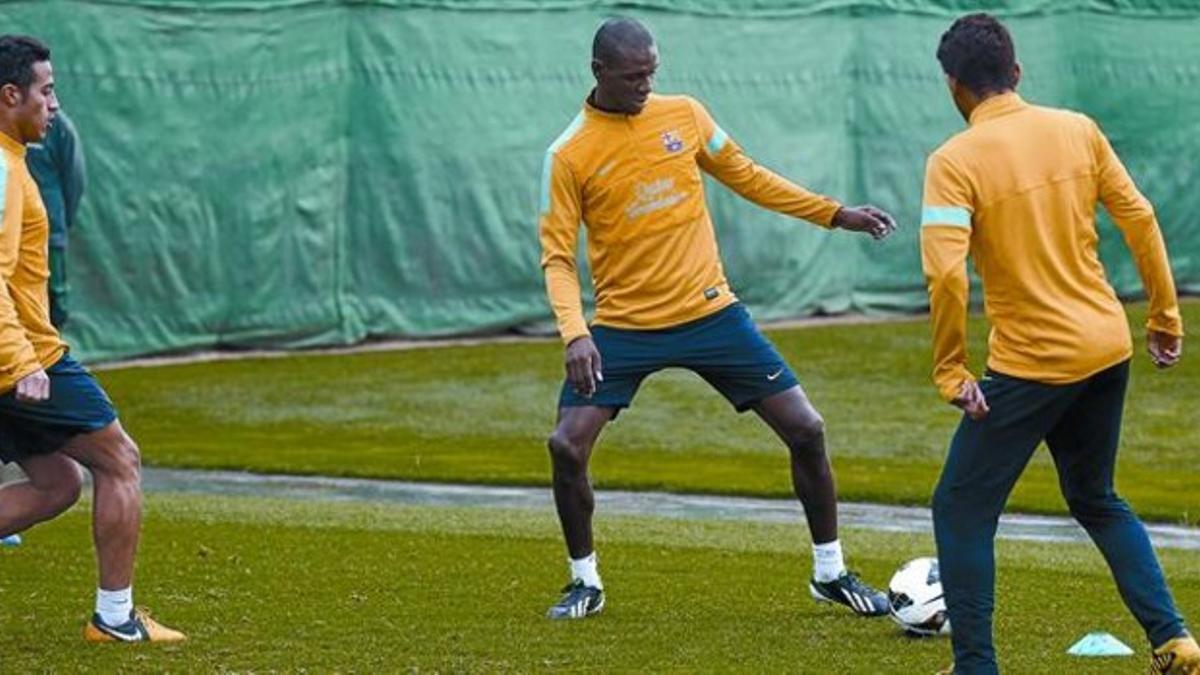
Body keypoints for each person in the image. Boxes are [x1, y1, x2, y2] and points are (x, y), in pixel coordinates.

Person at [538, 17, 898, 621]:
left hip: (712, 314)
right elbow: (556, 257)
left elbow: (749, 176)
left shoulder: (685, 115)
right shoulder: (568, 153)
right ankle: (584, 582)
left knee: (807, 429)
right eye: (633, 76)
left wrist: (835, 215)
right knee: (565, 447)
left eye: (652, 71)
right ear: (599, 72)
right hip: (624, 327)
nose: (646, 85)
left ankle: (830, 573)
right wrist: (576, 333)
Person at [920, 14, 1197, 675]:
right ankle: (1177, 639)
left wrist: (952, 367)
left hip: (1032, 365)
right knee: (1096, 495)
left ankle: (975, 665)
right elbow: (1140, 216)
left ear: (953, 86)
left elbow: (945, 271)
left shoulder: (954, 161)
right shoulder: (1077, 129)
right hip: (1107, 349)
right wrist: (1164, 316)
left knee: (960, 506)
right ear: (1016, 74)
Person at [0, 34, 184, 643]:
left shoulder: (12, 161)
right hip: (25, 361)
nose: (54, 105)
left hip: (21, 358)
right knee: (121, 460)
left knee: (57, 486)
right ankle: (115, 620)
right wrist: (24, 361)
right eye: (46, 92)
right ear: (11, 96)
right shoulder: (2, 170)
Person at [27, 107, 84, 329]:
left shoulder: (59, 127)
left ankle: (52, 355)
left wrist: (60, 222)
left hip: (50, 235)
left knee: (55, 298)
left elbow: (75, 180)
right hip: (10, 235)